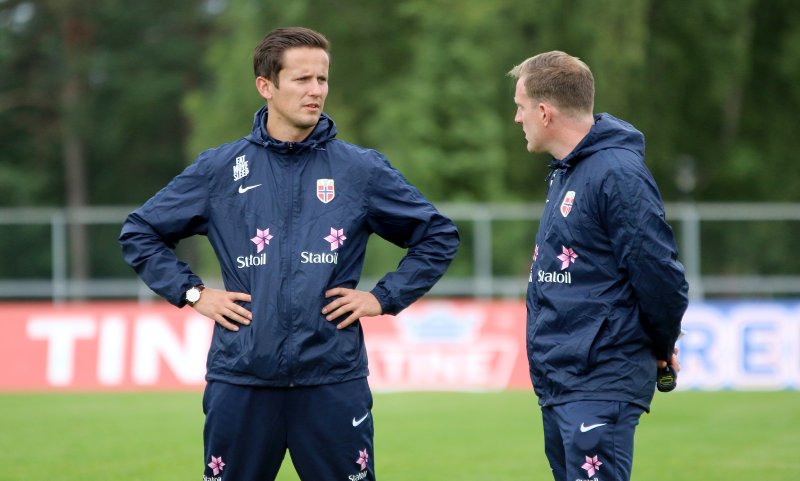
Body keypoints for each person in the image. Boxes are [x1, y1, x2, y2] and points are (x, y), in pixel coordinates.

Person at [120, 26, 459, 481]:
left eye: (322, 79)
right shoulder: (220, 170)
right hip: (241, 379)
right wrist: (195, 293)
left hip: (333, 381)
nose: (316, 91)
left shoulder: (361, 169)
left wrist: (383, 296)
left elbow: (437, 235)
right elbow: (139, 231)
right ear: (266, 86)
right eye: (302, 80)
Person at [508, 51, 689, 481]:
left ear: (544, 112)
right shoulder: (567, 171)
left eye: (519, 107)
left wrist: (662, 347)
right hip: (563, 379)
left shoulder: (617, 173)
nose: (517, 119)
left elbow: (660, 275)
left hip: (600, 378)